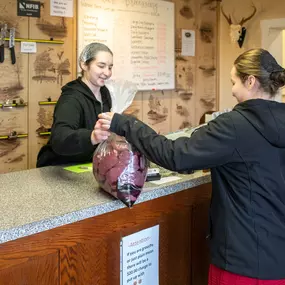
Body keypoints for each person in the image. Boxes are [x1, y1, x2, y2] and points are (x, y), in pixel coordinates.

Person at [98, 48, 285, 284]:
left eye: (234, 82)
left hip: (243, 263)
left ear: (250, 81)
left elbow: (176, 156)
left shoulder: (235, 125)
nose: (232, 90)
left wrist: (125, 123)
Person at [37, 42, 112, 167]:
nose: (107, 72)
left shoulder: (105, 93)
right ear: (84, 64)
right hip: (61, 167)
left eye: (110, 67)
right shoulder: (71, 98)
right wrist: (92, 136)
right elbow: (60, 139)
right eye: (101, 66)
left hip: (87, 165)